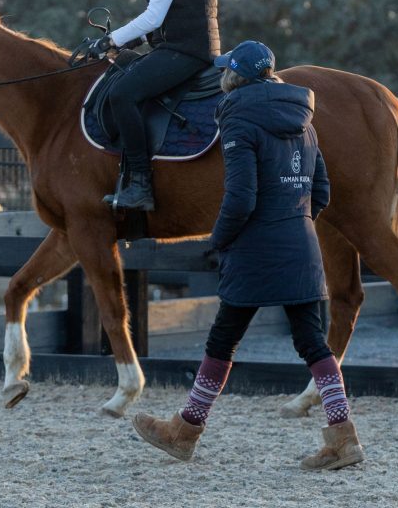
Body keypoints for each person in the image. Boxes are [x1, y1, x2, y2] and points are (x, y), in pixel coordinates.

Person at [131, 40, 365, 471]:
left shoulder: (238, 121)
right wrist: (295, 224)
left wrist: (219, 240)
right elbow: (322, 191)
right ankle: (343, 437)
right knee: (312, 342)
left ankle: (185, 431)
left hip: (255, 249)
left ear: (234, 77)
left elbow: (240, 197)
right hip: (300, 244)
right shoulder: (305, 123)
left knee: (223, 340)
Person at [78, 0, 220, 211]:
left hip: (186, 52)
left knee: (122, 94)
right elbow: (167, 17)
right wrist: (124, 43)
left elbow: (154, 16)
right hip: (183, 47)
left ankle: (139, 184)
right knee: (125, 71)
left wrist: (110, 39)